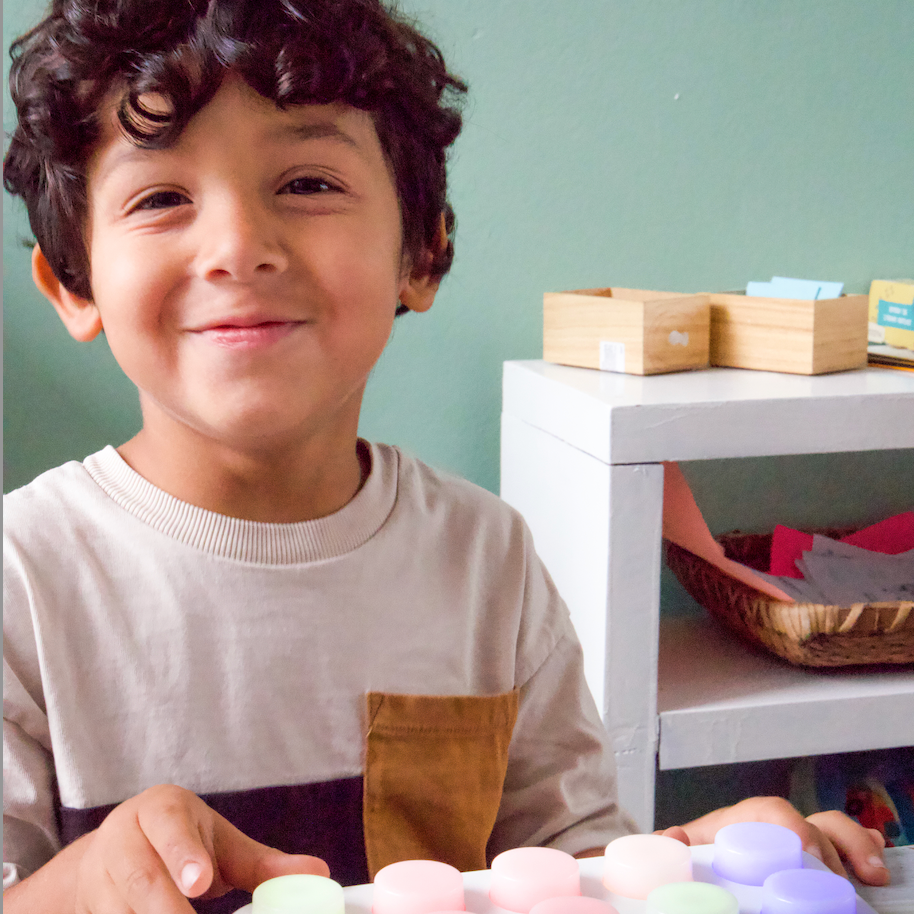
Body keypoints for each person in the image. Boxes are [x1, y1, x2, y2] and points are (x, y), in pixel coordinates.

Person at [2, 1, 889, 912]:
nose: (237, 248)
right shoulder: (20, 582)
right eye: (160, 198)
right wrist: (73, 890)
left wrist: (697, 858)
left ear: (423, 253)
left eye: (306, 183)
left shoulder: (485, 558)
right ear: (74, 280)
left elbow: (565, 865)